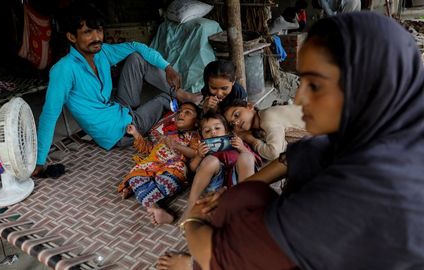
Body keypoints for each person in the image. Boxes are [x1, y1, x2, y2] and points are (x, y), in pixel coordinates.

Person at [157, 12, 424, 270]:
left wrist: (193, 219)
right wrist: (237, 190)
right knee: (245, 195)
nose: (298, 99)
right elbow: (306, 152)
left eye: (316, 85)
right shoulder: (394, 128)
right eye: (302, 80)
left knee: (232, 235)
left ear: (368, 86)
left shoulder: (359, 192)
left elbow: (220, 254)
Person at [33, 4, 196, 174]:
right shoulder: (64, 69)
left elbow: (136, 46)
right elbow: (49, 115)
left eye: (99, 30)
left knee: (136, 57)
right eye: (88, 32)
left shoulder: (101, 53)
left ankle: (182, 94)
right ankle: (191, 104)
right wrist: (39, 161)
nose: (97, 38)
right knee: (164, 99)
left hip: (119, 107)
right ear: (72, 37)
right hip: (119, 130)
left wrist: (167, 67)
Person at [118, 102, 200, 224]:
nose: (181, 114)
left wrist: (176, 146)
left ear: (197, 122)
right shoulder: (167, 135)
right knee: (135, 175)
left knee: (166, 180)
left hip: (172, 166)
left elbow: (195, 153)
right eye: (179, 112)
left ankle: (145, 197)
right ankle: (155, 208)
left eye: (187, 112)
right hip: (152, 164)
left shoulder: (194, 136)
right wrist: (136, 134)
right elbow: (150, 149)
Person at [182, 112, 259, 221]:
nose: (213, 132)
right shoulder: (204, 150)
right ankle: (191, 206)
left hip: (238, 185)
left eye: (217, 128)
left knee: (246, 156)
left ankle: (245, 202)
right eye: (207, 131)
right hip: (215, 189)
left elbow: (254, 162)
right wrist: (199, 156)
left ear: (227, 131)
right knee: (211, 160)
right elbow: (192, 169)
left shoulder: (237, 143)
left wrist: (242, 148)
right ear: (202, 137)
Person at [223, 100, 308, 160]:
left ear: (249, 106)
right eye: (232, 124)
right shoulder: (262, 119)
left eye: (237, 115)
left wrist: (253, 141)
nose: (236, 122)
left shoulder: (267, 117)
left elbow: (274, 153)